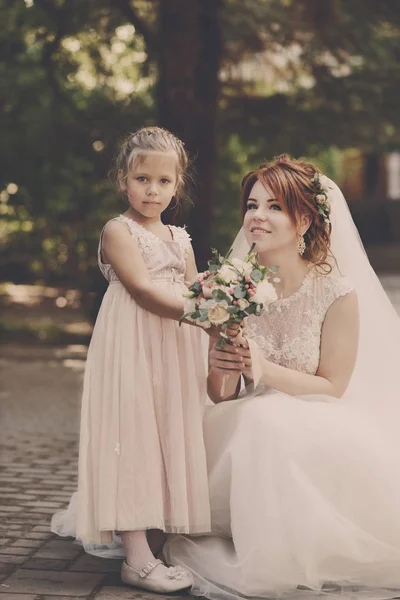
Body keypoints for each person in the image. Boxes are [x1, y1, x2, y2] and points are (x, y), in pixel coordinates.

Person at [164, 155, 400, 600]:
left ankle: (278, 551)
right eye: (252, 205)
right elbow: (219, 395)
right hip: (239, 416)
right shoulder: (229, 285)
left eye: (274, 207)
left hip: (314, 414)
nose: (257, 216)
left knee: (269, 422)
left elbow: (333, 386)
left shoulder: (337, 293)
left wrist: (263, 369)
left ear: (305, 219)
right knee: (253, 421)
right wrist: (225, 363)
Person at [52, 126, 213, 593]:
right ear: (123, 179)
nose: (153, 190)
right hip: (133, 340)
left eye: (164, 181)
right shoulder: (117, 231)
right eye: (143, 179)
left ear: (177, 185)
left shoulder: (179, 236)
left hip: (175, 343)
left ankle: (159, 535)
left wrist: (223, 300)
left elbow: (192, 285)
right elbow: (143, 291)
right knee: (133, 431)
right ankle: (135, 557)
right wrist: (202, 315)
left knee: (169, 429)